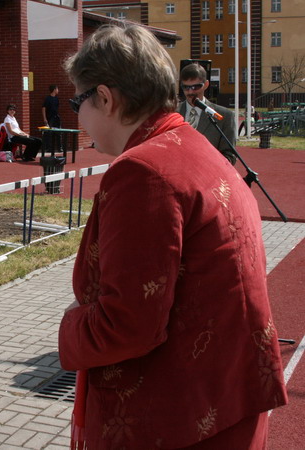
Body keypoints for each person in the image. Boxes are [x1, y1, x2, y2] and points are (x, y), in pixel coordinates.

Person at [59, 24, 287, 449]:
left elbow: (126, 325)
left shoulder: (142, 171)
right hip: (224, 400)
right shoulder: (192, 146)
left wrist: (70, 325)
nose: (79, 116)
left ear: (105, 98)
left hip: (175, 419)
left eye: (79, 101)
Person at [177, 63, 237, 165]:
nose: (190, 92)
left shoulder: (224, 116)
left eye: (196, 87)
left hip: (208, 176)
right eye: (186, 87)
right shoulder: (171, 113)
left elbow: (229, 156)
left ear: (206, 85)